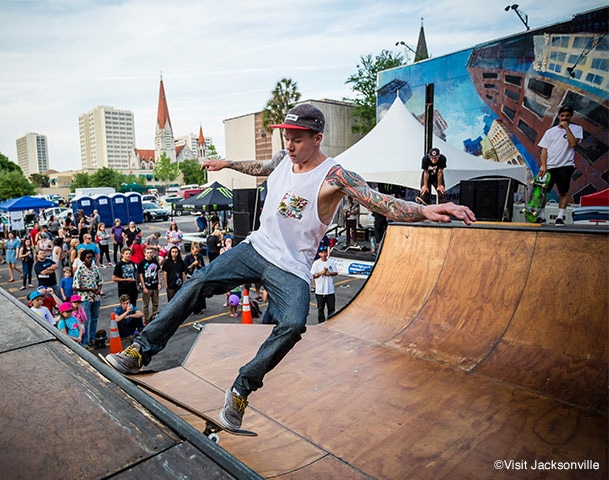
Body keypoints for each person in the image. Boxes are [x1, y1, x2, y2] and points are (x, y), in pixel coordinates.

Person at [105, 103, 475, 432]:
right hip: (256, 248)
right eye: (287, 138)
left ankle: (241, 388)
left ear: (317, 138)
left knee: (295, 323)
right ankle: (141, 351)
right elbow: (260, 167)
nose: (290, 146)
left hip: (292, 267)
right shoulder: (285, 158)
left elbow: (379, 202)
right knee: (199, 281)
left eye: (297, 139)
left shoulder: (335, 176)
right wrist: (227, 163)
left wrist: (425, 209)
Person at [537, 105, 583, 225]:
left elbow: (573, 143)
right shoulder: (550, 132)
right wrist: (543, 165)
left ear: (571, 116)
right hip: (550, 166)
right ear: (558, 116)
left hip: (566, 165)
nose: (565, 118)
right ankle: (542, 215)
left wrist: (567, 128)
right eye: (562, 115)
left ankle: (560, 217)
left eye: (567, 116)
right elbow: (544, 150)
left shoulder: (577, 129)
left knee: (563, 191)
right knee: (542, 191)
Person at [72, 249, 103, 346]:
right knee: (85, 320)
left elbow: (100, 280)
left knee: (94, 318)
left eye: (91, 257)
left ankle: (92, 338)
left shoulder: (95, 268)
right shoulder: (80, 269)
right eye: (88, 257)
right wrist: (89, 289)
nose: (90, 259)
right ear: (83, 259)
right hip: (85, 299)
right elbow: (76, 286)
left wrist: (98, 289)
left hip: (96, 297)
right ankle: (84, 341)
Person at [310, 246, 337, 323]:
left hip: (330, 290)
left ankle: (331, 322)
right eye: (322, 253)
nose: (324, 254)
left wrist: (330, 273)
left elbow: (335, 272)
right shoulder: (316, 263)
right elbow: (313, 275)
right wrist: (320, 273)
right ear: (319, 254)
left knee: (331, 308)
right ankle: (321, 322)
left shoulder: (331, 262)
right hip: (320, 290)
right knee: (320, 308)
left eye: (325, 252)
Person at [138, 246, 161, 321]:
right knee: (146, 305)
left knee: (155, 304)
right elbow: (141, 276)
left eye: (151, 252)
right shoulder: (142, 263)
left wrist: (159, 283)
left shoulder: (155, 261)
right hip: (147, 287)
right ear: (144, 254)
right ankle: (146, 319)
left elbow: (157, 272)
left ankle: (154, 318)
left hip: (155, 286)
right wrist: (144, 287)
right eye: (148, 252)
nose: (149, 254)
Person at [183, 241, 206, 314]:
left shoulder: (200, 256)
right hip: (191, 277)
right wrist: (193, 264)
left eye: (198, 251)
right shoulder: (188, 257)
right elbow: (185, 269)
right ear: (192, 250)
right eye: (195, 251)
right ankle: (191, 308)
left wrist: (200, 266)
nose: (197, 253)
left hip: (198, 276)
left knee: (199, 293)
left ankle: (199, 308)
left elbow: (204, 266)